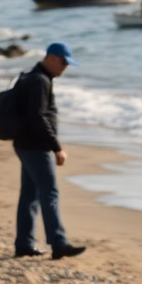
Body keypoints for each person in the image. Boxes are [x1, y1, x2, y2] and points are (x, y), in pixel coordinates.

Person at [12, 42, 86, 261]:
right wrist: (57, 147)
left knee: (29, 195)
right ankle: (59, 242)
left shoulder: (33, 77)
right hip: (36, 146)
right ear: (51, 58)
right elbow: (38, 117)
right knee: (49, 193)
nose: (65, 67)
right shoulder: (40, 80)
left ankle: (24, 245)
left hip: (24, 144)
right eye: (63, 62)